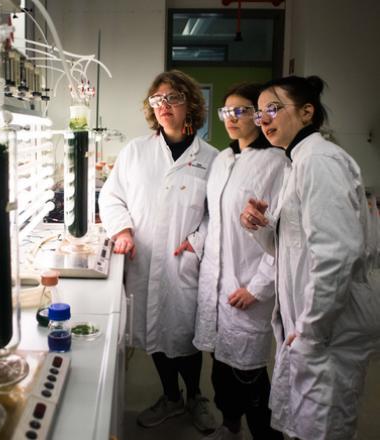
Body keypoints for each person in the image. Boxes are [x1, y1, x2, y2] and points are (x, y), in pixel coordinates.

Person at [240, 75, 380, 440]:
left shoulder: (318, 161)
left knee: (323, 430)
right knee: (306, 426)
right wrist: (261, 226)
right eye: (260, 113)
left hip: (329, 332)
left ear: (306, 112)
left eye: (273, 108)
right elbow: (290, 251)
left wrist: (312, 331)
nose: (264, 119)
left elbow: (337, 255)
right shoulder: (297, 162)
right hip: (311, 326)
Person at [99, 69, 218, 433]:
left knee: (184, 335)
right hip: (145, 258)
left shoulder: (211, 158)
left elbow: (216, 214)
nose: (164, 106)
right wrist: (123, 230)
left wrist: (197, 241)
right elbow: (111, 196)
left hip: (184, 261)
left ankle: (196, 395)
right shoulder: (136, 151)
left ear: (190, 104)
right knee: (153, 333)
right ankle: (170, 397)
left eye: (173, 98)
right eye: (158, 100)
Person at [193, 83, 287, 440]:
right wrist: (194, 244)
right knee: (219, 366)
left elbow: (285, 236)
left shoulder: (277, 163)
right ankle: (230, 426)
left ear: (260, 115)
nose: (231, 118)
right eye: (226, 111)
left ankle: (266, 434)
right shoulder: (222, 159)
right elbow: (213, 219)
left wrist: (258, 288)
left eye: (241, 111)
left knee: (249, 375)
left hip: (248, 283)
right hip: (216, 282)